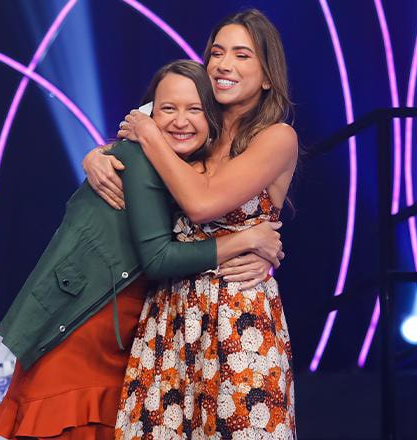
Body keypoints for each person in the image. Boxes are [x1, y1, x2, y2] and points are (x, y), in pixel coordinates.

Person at [0, 60, 283, 440]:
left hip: (126, 337)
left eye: (194, 109)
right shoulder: (140, 158)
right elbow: (159, 258)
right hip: (83, 328)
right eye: (167, 110)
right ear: (149, 115)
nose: (180, 121)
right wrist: (246, 240)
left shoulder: (184, 168)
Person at [85, 9, 298, 439]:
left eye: (242, 55)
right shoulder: (193, 130)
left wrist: (148, 134)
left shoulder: (276, 138)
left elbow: (202, 205)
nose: (224, 64)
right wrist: (95, 156)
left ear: (268, 76)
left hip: (239, 321)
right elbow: (125, 161)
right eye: (217, 52)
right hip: (170, 315)